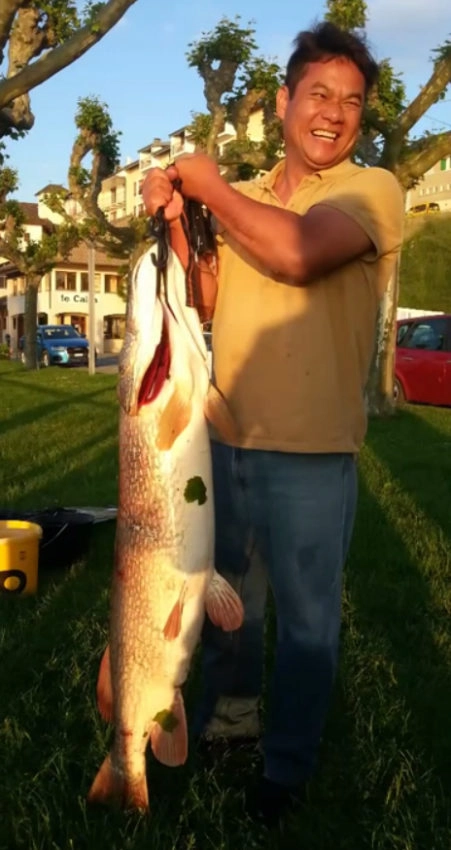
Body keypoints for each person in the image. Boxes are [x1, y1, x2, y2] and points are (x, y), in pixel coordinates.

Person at [142, 21, 404, 828]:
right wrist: (179, 215)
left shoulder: (371, 191)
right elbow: (211, 300)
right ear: (283, 100)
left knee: (306, 626)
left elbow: (296, 256)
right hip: (219, 440)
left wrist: (208, 184)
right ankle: (227, 721)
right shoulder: (247, 198)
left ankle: (284, 773)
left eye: (351, 101)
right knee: (227, 609)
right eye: (317, 93)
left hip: (313, 453)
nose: (333, 113)